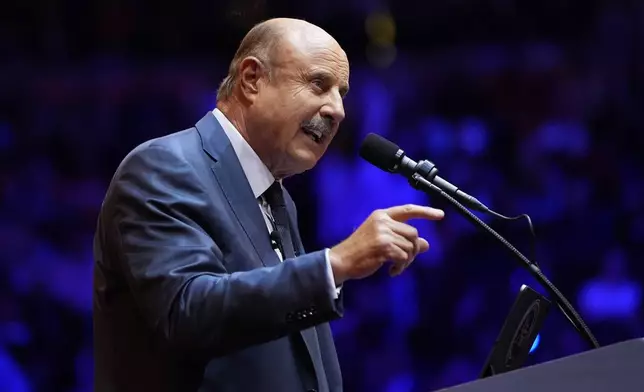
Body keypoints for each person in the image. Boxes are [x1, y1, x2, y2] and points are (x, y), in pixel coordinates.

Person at [92, 17, 444, 392]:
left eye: (341, 93)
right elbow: (188, 311)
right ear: (251, 80)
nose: (338, 110)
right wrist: (335, 264)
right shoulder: (164, 166)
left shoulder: (275, 195)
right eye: (318, 84)